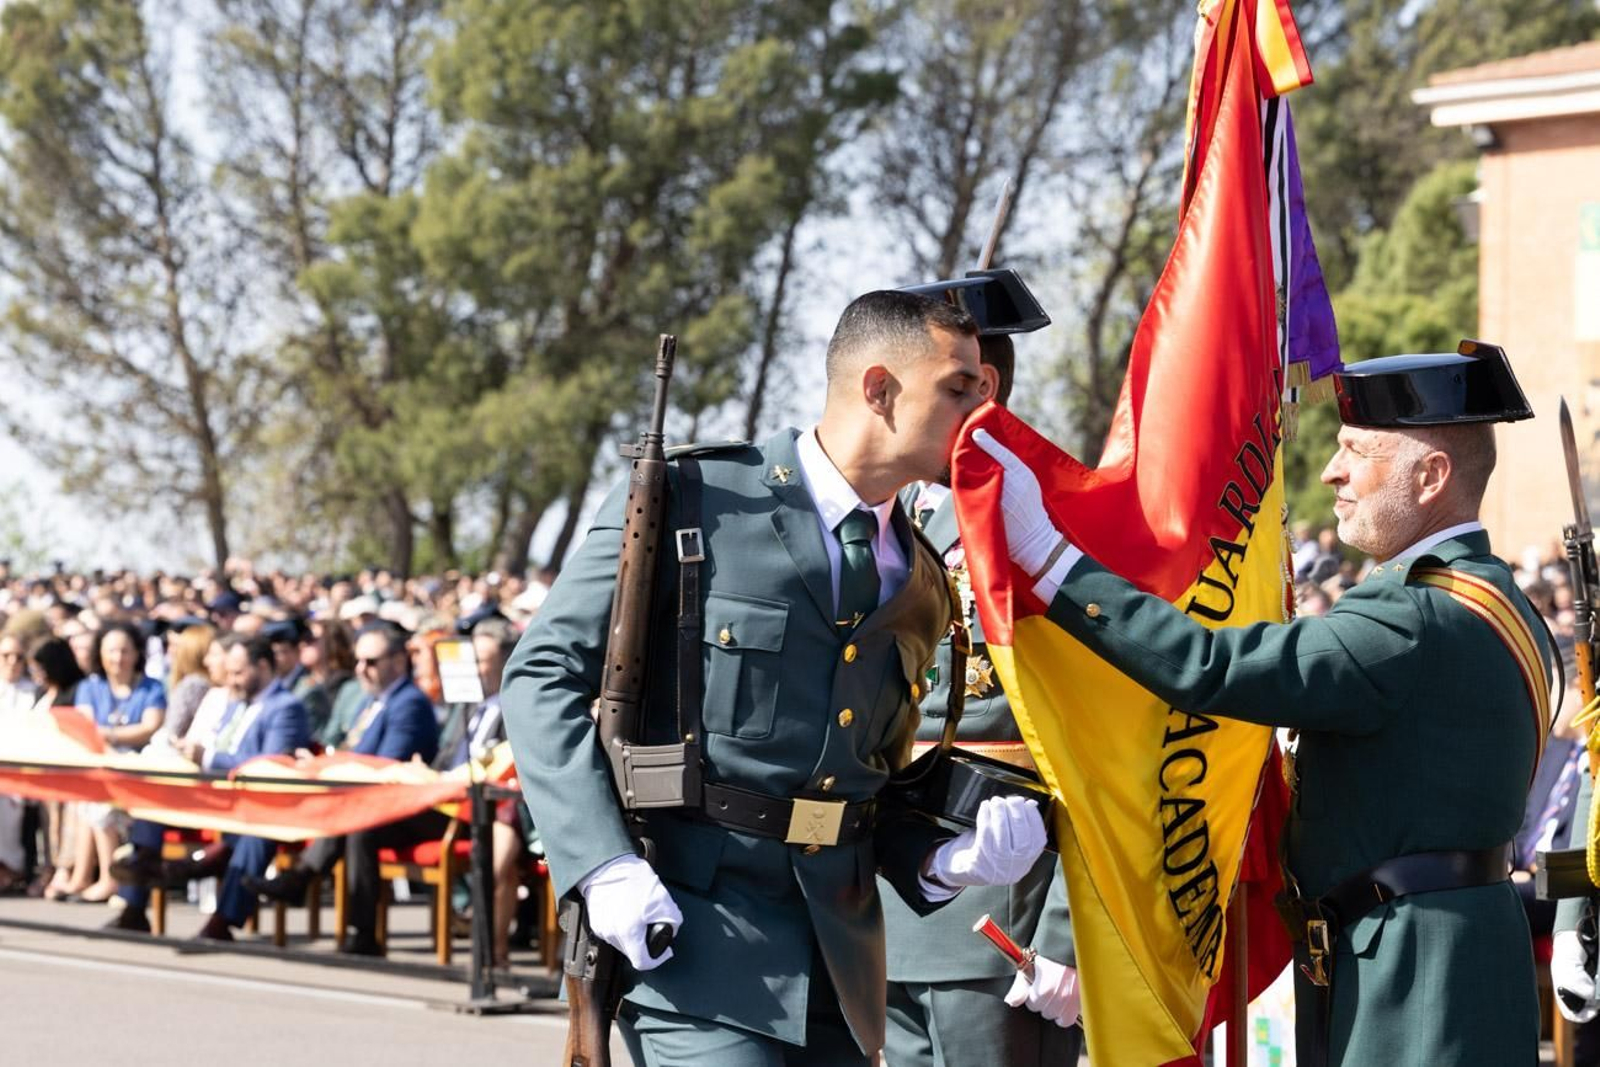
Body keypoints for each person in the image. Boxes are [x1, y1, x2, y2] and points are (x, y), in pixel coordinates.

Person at [501, 289, 1049, 1065]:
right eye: (959, 389)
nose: (981, 415)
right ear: (879, 389)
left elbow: (867, 780)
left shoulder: (920, 576)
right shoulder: (697, 501)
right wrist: (601, 861)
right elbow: (541, 675)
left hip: (840, 963)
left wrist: (938, 858)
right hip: (692, 936)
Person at [970, 341, 1550, 1066]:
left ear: (1431, 475)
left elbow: (1207, 667)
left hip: (1413, 971)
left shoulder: (1411, 617)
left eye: (1356, 450)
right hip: (1443, 946)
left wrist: (1050, 558)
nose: (1332, 471)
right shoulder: (1494, 596)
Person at [884, 298, 1082, 1066]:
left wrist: (1065, 930)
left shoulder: (1043, 516)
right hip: (891, 892)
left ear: (981, 383)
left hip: (1001, 911)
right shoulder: (889, 514)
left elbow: (1093, 739)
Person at [246, 622, 440, 954]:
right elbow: (355, 753)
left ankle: (352, 923)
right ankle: (312, 889)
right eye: (359, 661)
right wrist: (323, 758)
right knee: (355, 821)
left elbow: (384, 765)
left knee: (359, 825)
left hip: (417, 807)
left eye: (371, 662)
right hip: (376, 804)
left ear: (398, 662)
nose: (361, 669)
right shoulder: (372, 701)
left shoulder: (408, 703)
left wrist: (332, 764)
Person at [108, 635, 311, 936]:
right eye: (229, 672)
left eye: (238, 672)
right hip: (211, 791)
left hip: (253, 802)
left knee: (255, 833)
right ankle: (138, 893)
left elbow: (269, 765)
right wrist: (189, 751)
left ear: (263, 667)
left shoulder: (285, 707)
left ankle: (221, 921)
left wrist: (208, 756)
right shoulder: (235, 702)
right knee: (154, 798)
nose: (232, 680)